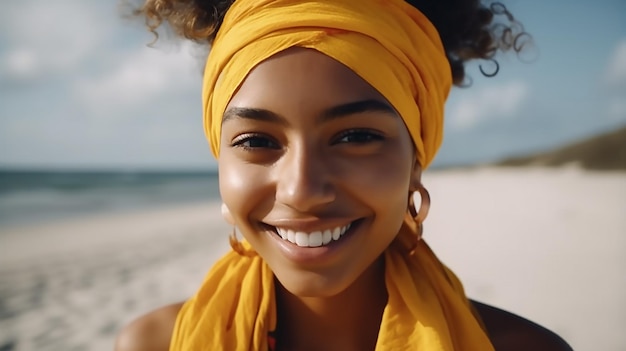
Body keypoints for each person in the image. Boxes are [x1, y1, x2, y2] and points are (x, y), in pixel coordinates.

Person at [116, 0, 573, 350]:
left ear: (416, 158)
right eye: (256, 141)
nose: (302, 191)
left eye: (355, 137)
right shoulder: (152, 343)